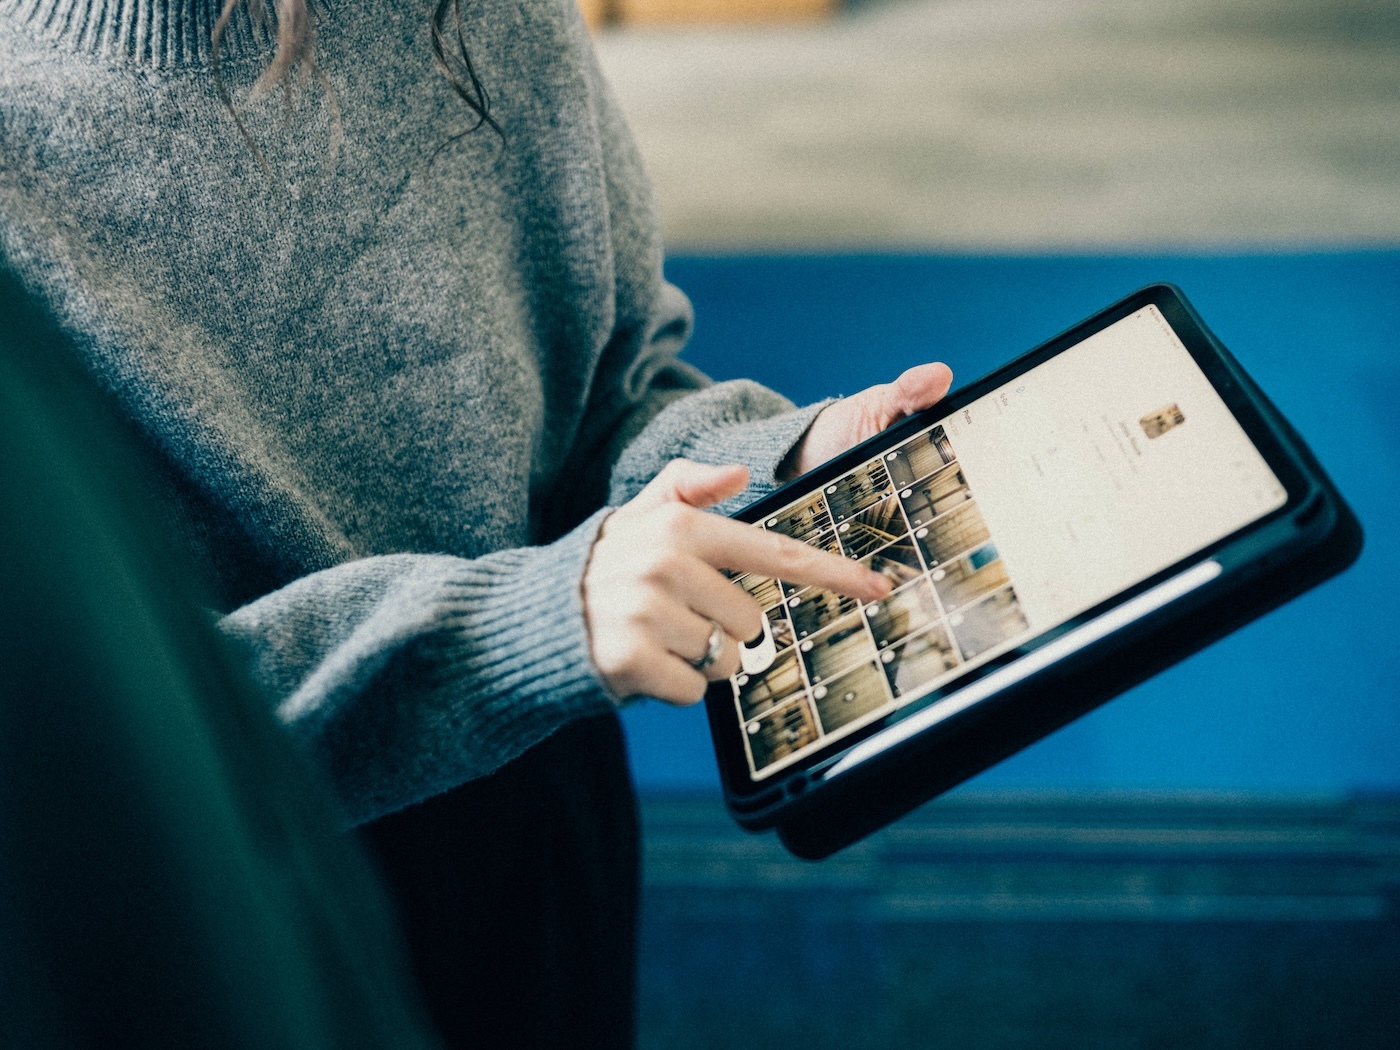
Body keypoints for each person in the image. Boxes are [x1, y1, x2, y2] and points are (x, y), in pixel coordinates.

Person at [0, 0, 952, 1044]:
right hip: (225, 908)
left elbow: (602, 395)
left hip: (533, 824)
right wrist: (534, 620)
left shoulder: (489, 22)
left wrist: (782, 463)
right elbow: (99, 729)